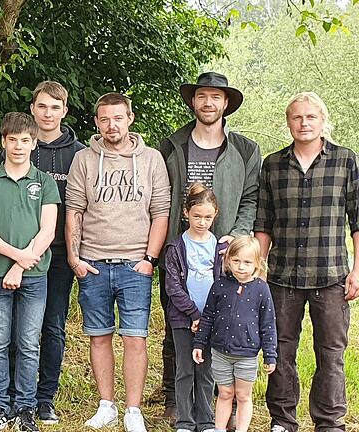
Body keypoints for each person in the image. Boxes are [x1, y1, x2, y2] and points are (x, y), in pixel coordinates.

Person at [157, 72, 261, 424]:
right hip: (180, 250)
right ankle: (175, 398)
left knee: (223, 325)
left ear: (226, 103)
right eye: (202, 96)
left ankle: (219, 403)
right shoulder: (172, 146)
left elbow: (250, 198)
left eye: (215, 97)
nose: (208, 102)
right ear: (193, 101)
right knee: (178, 323)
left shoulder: (245, 149)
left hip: (223, 255)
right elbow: (160, 196)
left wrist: (236, 235)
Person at [65, 92, 170, 431]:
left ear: (130, 119)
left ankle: (133, 410)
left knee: (135, 337)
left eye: (118, 118)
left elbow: (161, 213)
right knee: (99, 336)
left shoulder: (152, 159)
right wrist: (74, 258)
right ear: (97, 122)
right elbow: (74, 211)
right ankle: (106, 404)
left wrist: (149, 259)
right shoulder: (83, 159)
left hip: (134, 264)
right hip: (93, 262)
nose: (112, 125)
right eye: (105, 119)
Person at [255, 92, 359, 432]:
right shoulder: (272, 164)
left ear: (322, 120)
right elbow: (263, 222)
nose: (304, 123)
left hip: (330, 276)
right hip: (282, 276)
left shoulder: (345, 161)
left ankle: (329, 422)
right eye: (297, 117)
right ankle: (282, 420)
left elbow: (357, 221)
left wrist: (358, 269)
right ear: (288, 122)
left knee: (330, 354)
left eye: (311, 117)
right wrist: (257, 266)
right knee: (280, 351)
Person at [0, 112, 60, 432]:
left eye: (25, 141)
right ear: (3, 142)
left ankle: (25, 408)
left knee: (28, 343)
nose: (19, 146)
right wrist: (15, 260)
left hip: (35, 276)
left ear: (34, 144)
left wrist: (22, 265)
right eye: (13, 140)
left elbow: (47, 232)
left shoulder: (45, 183)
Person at [22, 80, 86, 425]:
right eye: (42, 106)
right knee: (21, 326)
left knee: (53, 326)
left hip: (60, 253)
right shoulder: (19, 146)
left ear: (64, 111)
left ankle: (45, 397)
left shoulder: (79, 154)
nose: (48, 113)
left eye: (55, 107)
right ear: (33, 108)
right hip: (20, 252)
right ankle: (21, 394)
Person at [192, 236, 277, 432]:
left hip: (247, 354)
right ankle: (219, 428)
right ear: (228, 260)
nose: (241, 267)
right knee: (224, 393)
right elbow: (208, 317)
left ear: (257, 263)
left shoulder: (261, 289)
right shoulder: (220, 285)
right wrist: (199, 344)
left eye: (247, 262)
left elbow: (268, 324)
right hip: (220, 353)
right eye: (236, 260)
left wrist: (270, 354)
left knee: (243, 395)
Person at [163, 182, 226, 432]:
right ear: (186, 213)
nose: (202, 221)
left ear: (215, 216)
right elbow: (173, 288)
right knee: (185, 370)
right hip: (183, 319)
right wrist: (193, 314)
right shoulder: (176, 248)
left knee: (206, 371)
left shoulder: (220, 247)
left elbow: (224, 286)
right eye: (197, 216)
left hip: (211, 321)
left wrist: (208, 318)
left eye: (208, 217)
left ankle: (207, 421)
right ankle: (185, 422)